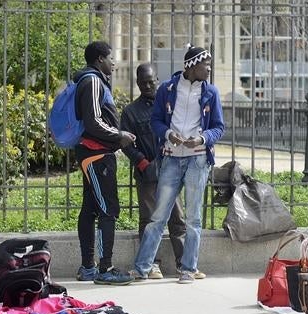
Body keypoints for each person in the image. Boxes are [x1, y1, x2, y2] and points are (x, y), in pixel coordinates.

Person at [130, 45, 225, 284]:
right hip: (171, 157)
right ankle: (142, 267)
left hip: (198, 158)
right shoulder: (167, 89)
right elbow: (156, 121)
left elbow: (219, 127)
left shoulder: (211, 92)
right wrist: (169, 134)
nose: (209, 69)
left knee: (193, 218)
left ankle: (188, 269)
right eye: (206, 64)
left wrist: (202, 139)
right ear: (192, 65)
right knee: (158, 216)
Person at [74, 41, 135, 285]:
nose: (114, 62)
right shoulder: (93, 81)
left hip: (94, 153)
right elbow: (93, 122)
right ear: (100, 59)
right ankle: (104, 268)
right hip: (97, 154)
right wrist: (118, 136)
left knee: (90, 209)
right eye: (111, 58)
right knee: (108, 210)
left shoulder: (92, 80)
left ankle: (88, 267)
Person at [120, 63, 187, 279]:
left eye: (151, 81)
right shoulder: (130, 112)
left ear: (157, 79)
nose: (148, 85)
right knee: (149, 220)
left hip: (171, 169)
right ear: (138, 83)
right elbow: (126, 144)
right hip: (146, 173)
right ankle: (152, 265)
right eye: (143, 82)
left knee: (178, 218)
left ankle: (184, 264)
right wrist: (143, 164)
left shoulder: (171, 106)